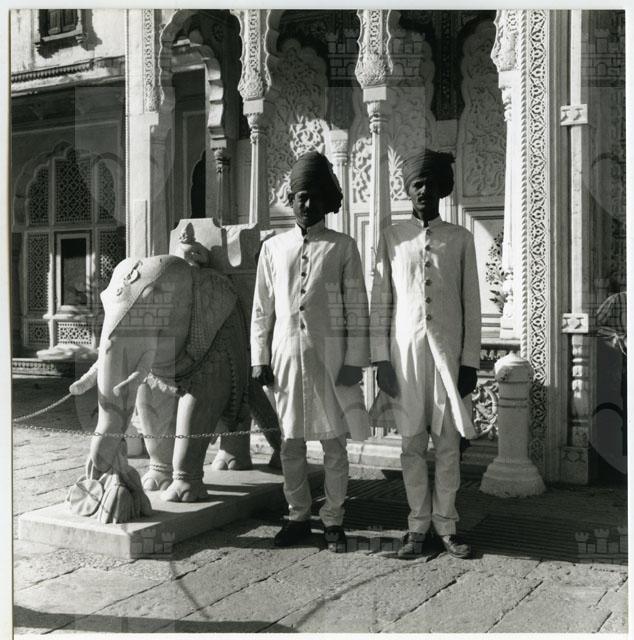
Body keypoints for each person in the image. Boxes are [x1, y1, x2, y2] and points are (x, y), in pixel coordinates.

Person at [251, 150, 370, 553]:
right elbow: (262, 309)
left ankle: (334, 519)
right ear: (291, 199)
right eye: (301, 196)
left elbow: (357, 308)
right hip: (284, 360)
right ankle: (298, 516)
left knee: (334, 443)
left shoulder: (342, 247)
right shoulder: (273, 248)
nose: (307, 203)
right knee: (290, 443)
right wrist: (259, 358)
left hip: (331, 361)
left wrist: (354, 361)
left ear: (326, 201)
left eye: (314, 196)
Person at [370, 148, 481, 559]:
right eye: (417, 184)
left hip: (448, 359)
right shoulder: (392, 238)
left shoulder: (460, 238)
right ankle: (417, 527)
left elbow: (472, 304)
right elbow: (380, 302)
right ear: (408, 190)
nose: (423, 191)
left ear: (441, 190)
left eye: (430, 185)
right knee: (411, 444)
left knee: (449, 444)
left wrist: (469, 362)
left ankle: (447, 525)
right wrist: (381, 359)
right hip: (405, 359)